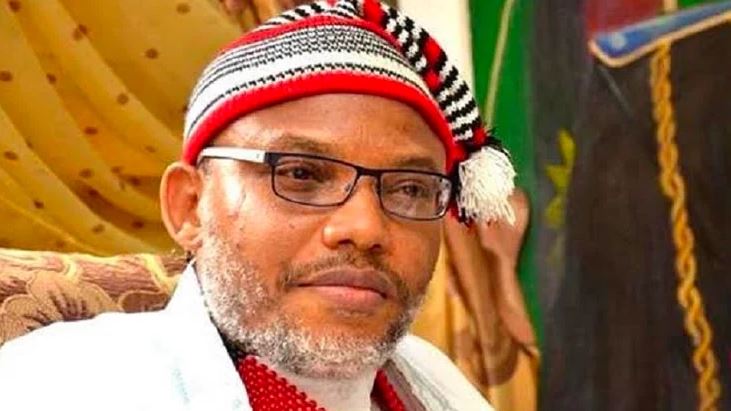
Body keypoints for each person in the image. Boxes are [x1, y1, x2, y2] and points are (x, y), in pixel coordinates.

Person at [0, 1, 516, 409]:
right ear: (190, 207)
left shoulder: (435, 380)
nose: (365, 227)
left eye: (409, 189)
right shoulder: (62, 385)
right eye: (301, 175)